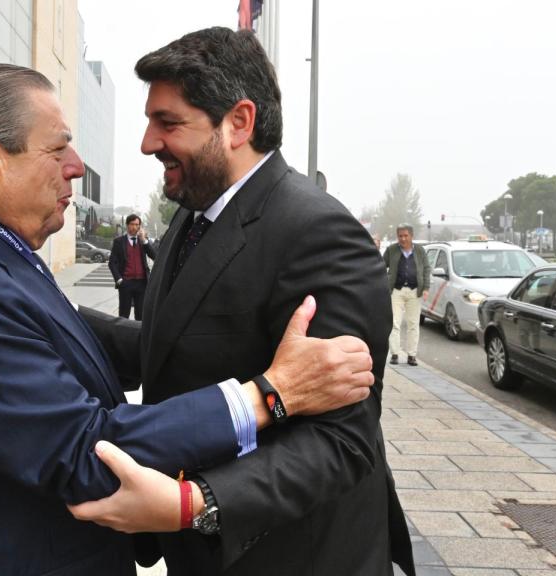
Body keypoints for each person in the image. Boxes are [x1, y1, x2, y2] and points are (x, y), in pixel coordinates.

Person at [0, 63, 377, 576]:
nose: (77, 166)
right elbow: (84, 449)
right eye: (58, 147)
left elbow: (73, 339)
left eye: (167, 122)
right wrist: (270, 392)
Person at [76, 27, 415, 576]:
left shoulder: (317, 232)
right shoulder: (192, 212)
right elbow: (175, 348)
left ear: (238, 122)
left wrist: (198, 504)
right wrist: (43, 308)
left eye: (168, 122)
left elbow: (341, 442)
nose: (147, 142)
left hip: (290, 557)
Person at [384, 224, 430, 366]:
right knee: (394, 323)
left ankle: (411, 355)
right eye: (400, 236)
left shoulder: (420, 251)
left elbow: (426, 269)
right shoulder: (391, 250)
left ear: (411, 236)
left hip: (415, 291)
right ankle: (395, 354)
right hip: (396, 291)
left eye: (405, 236)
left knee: (413, 324)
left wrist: (426, 287)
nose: (403, 239)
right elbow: (380, 265)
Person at [109, 213, 156, 320]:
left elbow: (155, 256)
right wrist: (119, 279)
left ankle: (139, 336)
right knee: (124, 314)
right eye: (132, 224)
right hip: (126, 283)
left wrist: (144, 241)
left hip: (142, 283)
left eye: (137, 224)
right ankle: (121, 336)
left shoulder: (143, 241)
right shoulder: (119, 242)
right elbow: (112, 262)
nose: (135, 227)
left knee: (141, 314)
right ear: (127, 225)